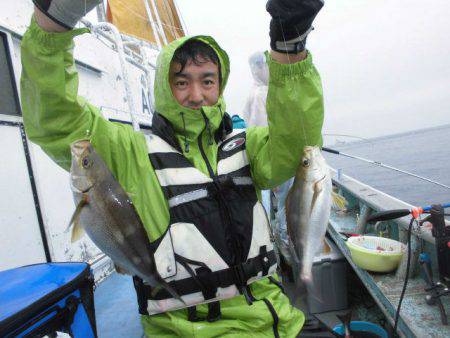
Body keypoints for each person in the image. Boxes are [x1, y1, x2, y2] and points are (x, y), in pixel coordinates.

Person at [22, 0, 325, 336]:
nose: (196, 95)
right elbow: (57, 123)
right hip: (185, 330)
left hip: (277, 319)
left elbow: (300, 147)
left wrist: (290, 50)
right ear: (164, 88)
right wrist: (53, 25)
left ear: (219, 86)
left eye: (207, 81)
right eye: (181, 83)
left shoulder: (248, 145)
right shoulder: (129, 151)